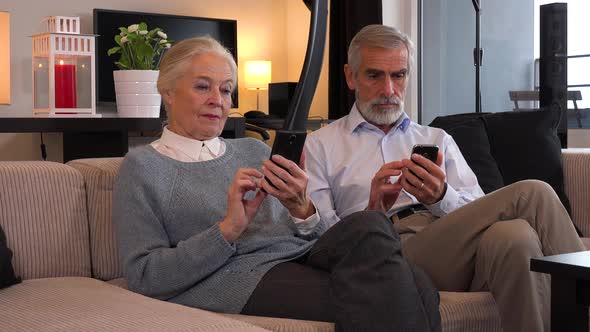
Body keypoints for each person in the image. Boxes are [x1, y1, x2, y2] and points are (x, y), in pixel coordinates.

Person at [113, 36, 441, 332]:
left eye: (226, 90)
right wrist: (227, 229)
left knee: (371, 224)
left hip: (301, 255)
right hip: (235, 275)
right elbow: (144, 276)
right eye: (203, 87)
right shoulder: (143, 168)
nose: (218, 100)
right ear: (167, 91)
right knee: (413, 286)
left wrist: (301, 207)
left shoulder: (254, 150)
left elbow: (315, 236)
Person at [303, 24, 586, 332]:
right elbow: (320, 239)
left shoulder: (436, 138)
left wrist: (441, 197)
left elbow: (484, 208)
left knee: (516, 237)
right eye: (375, 75)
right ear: (350, 76)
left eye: (398, 75)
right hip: (392, 250)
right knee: (532, 194)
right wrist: (373, 213)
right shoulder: (320, 145)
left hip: (451, 241)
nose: (388, 90)